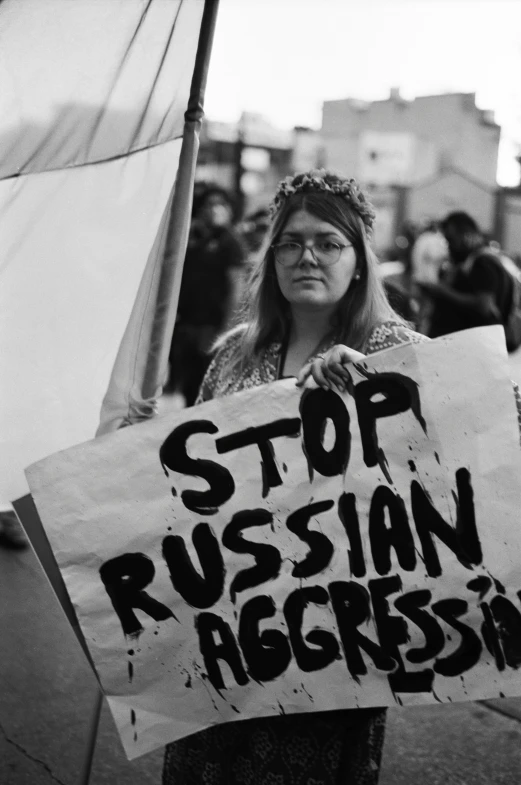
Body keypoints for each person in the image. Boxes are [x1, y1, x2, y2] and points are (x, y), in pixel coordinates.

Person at [162, 169, 427, 785]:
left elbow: (488, 437)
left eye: (329, 242)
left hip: (328, 645)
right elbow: (186, 494)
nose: (307, 255)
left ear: (360, 260)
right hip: (225, 637)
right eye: (290, 241)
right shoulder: (234, 351)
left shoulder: (394, 349)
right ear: (273, 256)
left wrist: (380, 393)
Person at [165, 184, 246, 405]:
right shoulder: (193, 239)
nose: (214, 209)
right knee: (189, 386)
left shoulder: (231, 242)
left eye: (220, 204)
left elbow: (236, 288)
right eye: (210, 204)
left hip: (212, 328)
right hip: (188, 325)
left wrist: (225, 330)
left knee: (208, 387)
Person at [418, 211, 512, 339]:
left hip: (471, 343)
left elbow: (483, 305)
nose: (448, 246)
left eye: (451, 239)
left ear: (467, 236)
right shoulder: (477, 260)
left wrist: (443, 291)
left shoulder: (482, 262)